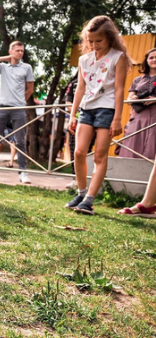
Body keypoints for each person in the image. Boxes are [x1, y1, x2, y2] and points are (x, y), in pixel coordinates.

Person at [64, 16, 130, 215]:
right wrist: (73, 115)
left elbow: (119, 89)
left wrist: (117, 118)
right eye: (90, 41)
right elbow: (80, 88)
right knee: (78, 152)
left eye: (99, 41)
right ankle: (81, 193)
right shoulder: (84, 60)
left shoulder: (118, 57)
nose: (94, 45)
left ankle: (89, 201)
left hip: (107, 110)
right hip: (86, 109)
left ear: (110, 37)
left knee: (100, 155)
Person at [0, 41, 34, 183]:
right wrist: (7, 58)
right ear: (11, 51)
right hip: (2, 107)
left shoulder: (27, 67)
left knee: (20, 141)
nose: (20, 53)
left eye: (22, 51)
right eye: (17, 50)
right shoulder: (3, 67)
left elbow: (30, 89)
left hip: (18, 108)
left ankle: (23, 172)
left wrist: (20, 101)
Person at [118, 47, 156, 160]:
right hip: (139, 115)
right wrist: (133, 97)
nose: (154, 60)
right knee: (133, 143)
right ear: (146, 60)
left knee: (152, 143)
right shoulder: (138, 80)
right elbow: (129, 98)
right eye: (151, 57)